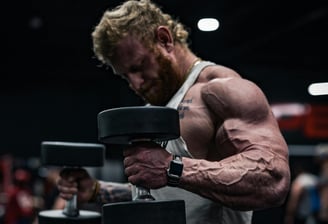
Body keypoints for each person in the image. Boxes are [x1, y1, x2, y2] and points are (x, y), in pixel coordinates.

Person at [56, 0, 291, 223]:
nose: (136, 83)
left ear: (164, 39)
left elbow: (274, 179)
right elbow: (168, 192)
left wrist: (172, 168)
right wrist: (97, 190)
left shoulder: (220, 90)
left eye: (138, 67)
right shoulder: (156, 107)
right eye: (125, 76)